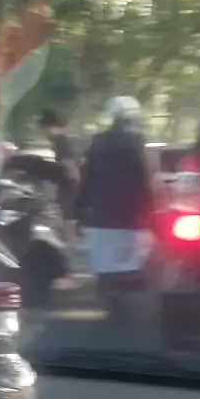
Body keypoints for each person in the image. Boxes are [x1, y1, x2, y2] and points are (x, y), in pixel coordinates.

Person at [75, 96, 154, 310]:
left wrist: (79, 207)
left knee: (106, 254)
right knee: (128, 254)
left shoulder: (99, 141)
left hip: (102, 207)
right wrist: (149, 206)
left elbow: (88, 176)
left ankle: (109, 288)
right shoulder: (136, 140)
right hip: (130, 208)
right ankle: (125, 288)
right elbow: (142, 176)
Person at [39, 108, 81, 246]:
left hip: (71, 187)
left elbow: (70, 166)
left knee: (69, 220)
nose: (42, 133)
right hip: (73, 187)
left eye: (43, 129)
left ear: (48, 127)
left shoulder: (61, 142)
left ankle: (71, 247)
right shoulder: (71, 139)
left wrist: (76, 185)